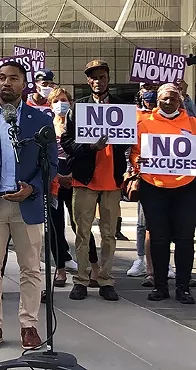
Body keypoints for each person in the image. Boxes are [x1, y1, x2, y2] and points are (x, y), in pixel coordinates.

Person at [0, 61, 57, 350]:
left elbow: (51, 163)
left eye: (13, 79)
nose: (6, 83)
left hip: (26, 204)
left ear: (24, 84)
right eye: (2, 78)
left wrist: (34, 188)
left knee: (31, 268)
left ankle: (29, 325)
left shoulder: (40, 120)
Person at [61, 60, 129, 302]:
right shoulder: (77, 108)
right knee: (82, 232)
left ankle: (106, 279)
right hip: (85, 180)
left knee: (109, 234)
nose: (97, 81)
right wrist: (89, 147)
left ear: (108, 78)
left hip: (112, 180)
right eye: (93, 77)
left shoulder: (123, 108)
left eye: (101, 76)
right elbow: (66, 142)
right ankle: (80, 279)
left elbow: (131, 141)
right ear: (88, 81)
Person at [132, 83, 195, 304]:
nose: (169, 102)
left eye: (173, 98)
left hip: (186, 188)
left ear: (180, 100)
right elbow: (134, 151)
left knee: (185, 239)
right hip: (154, 186)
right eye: (164, 98)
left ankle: (183, 287)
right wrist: (136, 162)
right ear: (157, 99)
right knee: (158, 238)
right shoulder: (144, 122)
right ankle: (160, 286)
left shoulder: (192, 123)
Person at [46, 88, 82, 286]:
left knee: (80, 225)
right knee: (55, 227)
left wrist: (72, 174)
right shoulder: (46, 126)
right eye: (57, 100)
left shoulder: (77, 125)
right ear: (50, 105)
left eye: (64, 100)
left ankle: (89, 267)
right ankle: (60, 268)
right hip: (54, 179)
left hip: (74, 176)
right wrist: (57, 176)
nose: (61, 103)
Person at [127, 82, 158, 280]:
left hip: (169, 176)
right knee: (142, 223)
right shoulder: (134, 116)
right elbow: (127, 145)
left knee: (163, 224)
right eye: (145, 94)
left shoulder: (169, 114)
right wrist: (131, 168)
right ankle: (141, 258)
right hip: (143, 175)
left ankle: (161, 261)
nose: (149, 98)